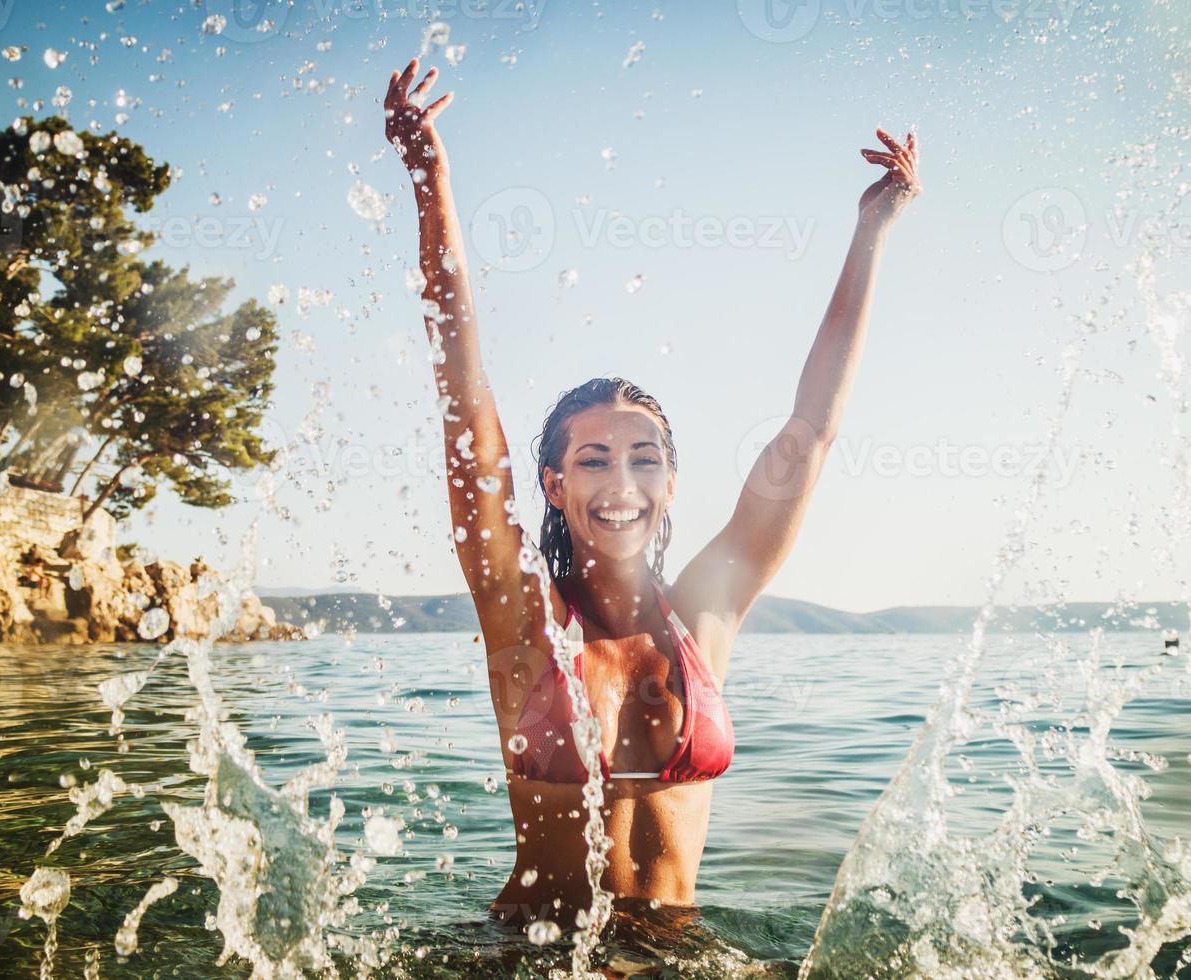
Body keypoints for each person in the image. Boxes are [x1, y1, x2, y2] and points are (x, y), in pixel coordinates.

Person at [384, 59, 921, 929]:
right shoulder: (524, 619)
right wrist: (430, 183)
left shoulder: (707, 613)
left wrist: (873, 231)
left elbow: (810, 430)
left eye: (644, 459)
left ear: (670, 483)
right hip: (533, 957)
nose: (621, 482)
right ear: (554, 486)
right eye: (593, 460)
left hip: (681, 951)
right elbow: (466, 402)